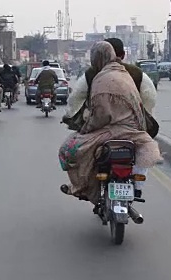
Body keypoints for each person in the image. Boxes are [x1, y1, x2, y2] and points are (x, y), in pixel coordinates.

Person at [58, 42, 162, 207]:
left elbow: (93, 109)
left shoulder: (98, 77)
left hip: (109, 130)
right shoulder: (130, 73)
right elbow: (149, 98)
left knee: (67, 150)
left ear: (96, 58)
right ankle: (138, 186)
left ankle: (82, 186)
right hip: (135, 128)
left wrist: (83, 126)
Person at [64, 38, 157, 123]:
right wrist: (144, 117)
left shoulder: (91, 73)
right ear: (123, 55)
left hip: (98, 128)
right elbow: (149, 97)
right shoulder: (137, 73)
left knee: (72, 142)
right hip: (132, 126)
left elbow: (76, 97)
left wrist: (70, 115)